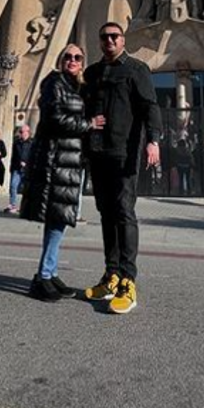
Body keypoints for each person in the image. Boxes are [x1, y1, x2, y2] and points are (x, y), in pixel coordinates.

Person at [83, 21, 162, 314]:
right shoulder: (91, 73)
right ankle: (111, 274)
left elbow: (150, 107)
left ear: (123, 39)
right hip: (98, 152)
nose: (109, 41)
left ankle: (128, 281)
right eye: (104, 37)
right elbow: (82, 109)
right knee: (106, 213)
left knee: (124, 212)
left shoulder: (137, 69)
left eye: (114, 36)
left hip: (123, 153)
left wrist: (153, 141)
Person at [22, 43, 104, 301]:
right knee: (56, 221)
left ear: (82, 63)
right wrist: (88, 124)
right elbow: (54, 118)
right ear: (60, 60)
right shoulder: (54, 82)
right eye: (67, 56)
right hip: (55, 160)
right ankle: (43, 277)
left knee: (58, 220)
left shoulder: (76, 87)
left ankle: (50, 273)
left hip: (70, 161)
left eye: (77, 57)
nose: (72, 60)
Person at [6, 122, 33, 214]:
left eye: (22, 132)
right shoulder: (17, 142)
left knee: (26, 189)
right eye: (20, 132)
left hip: (27, 169)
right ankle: (12, 204)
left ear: (28, 132)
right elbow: (13, 156)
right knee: (13, 186)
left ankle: (25, 207)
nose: (21, 133)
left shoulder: (32, 143)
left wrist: (28, 164)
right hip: (17, 168)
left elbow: (34, 156)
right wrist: (11, 167)